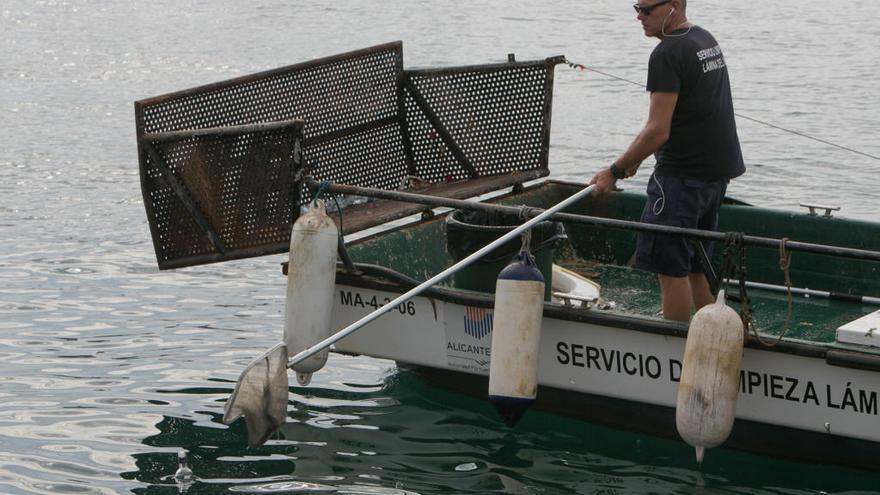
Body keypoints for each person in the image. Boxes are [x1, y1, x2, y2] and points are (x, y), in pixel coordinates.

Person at [590, 0, 745, 321]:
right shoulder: (704, 40)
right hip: (714, 174)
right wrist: (637, 158)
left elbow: (657, 130)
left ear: (674, 5)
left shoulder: (667, 53)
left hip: (682, 178)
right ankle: (709, 333)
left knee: (670, 267)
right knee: (696, 263)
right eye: (636, 8)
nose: (639, 17)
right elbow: (692, 112)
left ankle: (674, 342)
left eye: (647, 10)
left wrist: (614, 171)